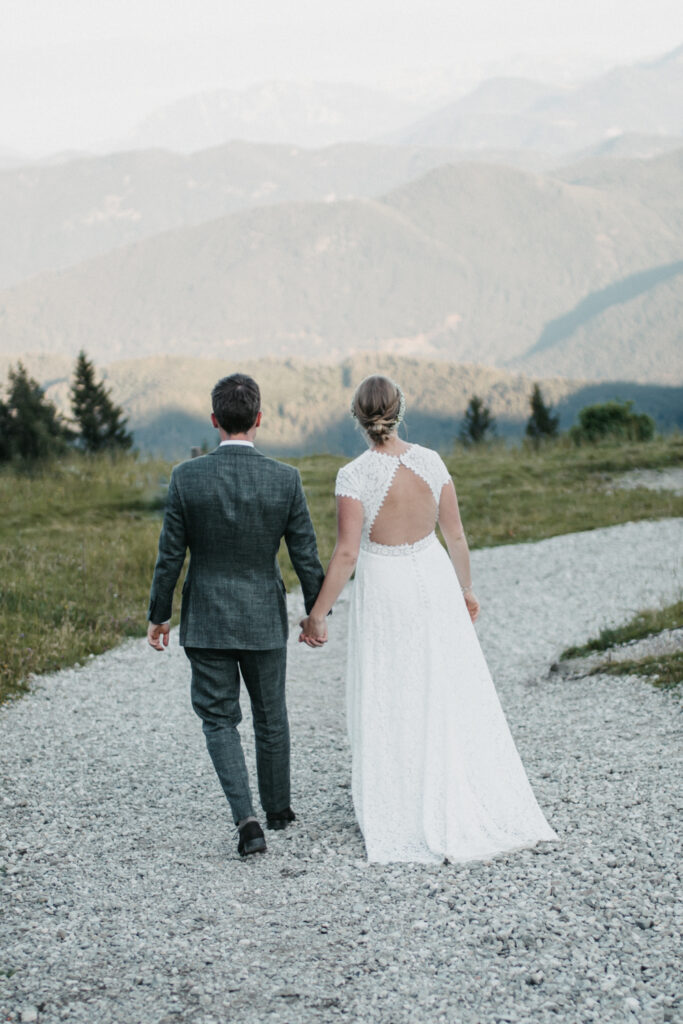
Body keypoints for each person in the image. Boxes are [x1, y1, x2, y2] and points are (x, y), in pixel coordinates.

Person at [299, 375, 557, 864]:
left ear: (358, 417)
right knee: (444, 682)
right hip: (434, 577)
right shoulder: (432, 462)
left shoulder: (353, 476)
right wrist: (465, 589)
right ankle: (458, 783)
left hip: (386, 585)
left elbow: (348, 553)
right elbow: (456, 537)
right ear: (400, 410)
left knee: (394, 685)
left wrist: (317, 614)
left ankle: (403, 795)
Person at [147, 373, 325, 857]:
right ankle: (280, 809)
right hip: (263, 618)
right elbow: (306, 555)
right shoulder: (285, 479)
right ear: (259, 419)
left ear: (214, 421)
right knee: (271, 715)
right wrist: (316, 614)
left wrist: (160, 615)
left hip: (205, 620)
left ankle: (246, 819)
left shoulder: (187, 478)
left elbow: (170, 556)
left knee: (219, 719)